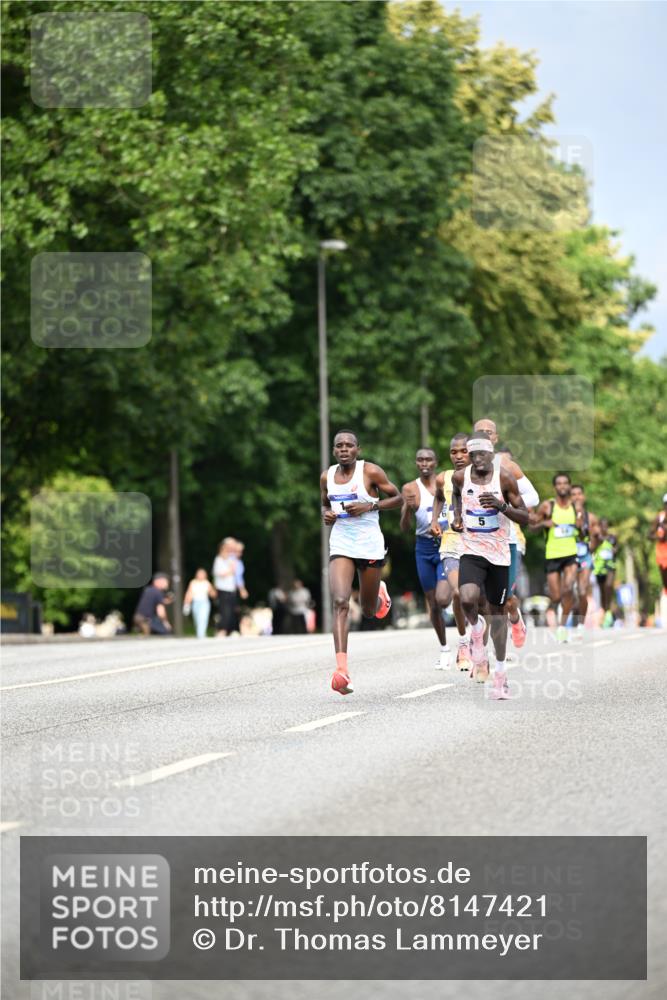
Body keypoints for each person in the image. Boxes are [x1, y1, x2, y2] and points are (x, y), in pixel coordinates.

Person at [320, 429, 402, 695]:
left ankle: (380, 596)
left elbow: (400, 498)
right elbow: (324, 504)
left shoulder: (370, 472)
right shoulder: (327, 477)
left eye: (349, 445)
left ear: (358, 449)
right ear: (334, 451)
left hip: (369, 545)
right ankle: (341, 670)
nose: (344, 449)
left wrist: (371, 506)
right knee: (341, 602)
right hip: (342, 543)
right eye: (339, 446)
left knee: (369, 611)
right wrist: (327, 514)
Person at [451, 432, 529, 700]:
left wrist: (501, 506)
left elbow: (525, 517)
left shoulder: (504, 478)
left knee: (498, 615)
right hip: (472, 550)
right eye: (474, 455)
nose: (478, 459)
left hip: (499, 553)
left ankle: (500, 674)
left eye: (484, 454)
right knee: (467, 597)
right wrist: (457, 516)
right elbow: (456, 498)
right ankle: (475, 631)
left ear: (492, 454)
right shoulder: (460, 477)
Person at [473, 420, 539, 649]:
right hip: (476, 541)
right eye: (479, 432)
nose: (484, 436)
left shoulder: (507, 465)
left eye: (488, 432)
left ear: (495, 438)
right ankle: (481, 652)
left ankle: (515, 618)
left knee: (504, 599)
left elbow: (533, 498)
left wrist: (504, 505)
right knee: (479, 598)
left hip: (505, 540)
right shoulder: (465, 468)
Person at [400, 447, 451, 668]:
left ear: (436, 462)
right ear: (416, 463)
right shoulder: (410, 488)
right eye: (420, 459)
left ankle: (459, 600)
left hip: (446, 545)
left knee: (443, 599)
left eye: (429, 459)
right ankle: (445, 649)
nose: (424, 463)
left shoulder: (446, 482)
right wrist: (407, 510)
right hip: (423, 547)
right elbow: (404, 528)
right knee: (433, 603)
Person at [430, 433, 473, 672]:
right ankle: (464, 642)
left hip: (478, 545)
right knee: (458, 593)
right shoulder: (443, 478)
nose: (458, 456)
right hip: (451, 543)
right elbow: (439, 498)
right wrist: (435, 520)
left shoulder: (483, 478)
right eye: (454, 452)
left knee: (477, 599)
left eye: (463, 451)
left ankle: (479, 642)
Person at [532, 472, 584, 642]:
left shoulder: (576, 507)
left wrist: (580, 525)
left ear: (569, 486)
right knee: (556, 596)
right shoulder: (548, 506)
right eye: (559, 483)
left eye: (565, 483)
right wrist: (543, 523)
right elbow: (532, 528)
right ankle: (561, 609)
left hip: (570, 554)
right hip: (552, 555)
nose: (562, 486)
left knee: (568, 588)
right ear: (555, 487)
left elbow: (583, 533)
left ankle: (562, 626)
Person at [570, 484, 600, 632]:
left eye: (579, 494)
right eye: (573, 494)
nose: (576, 497)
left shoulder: (591, 517)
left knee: (582, 591)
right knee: (568, 590)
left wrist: (591, 547)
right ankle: (571, 619)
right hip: (567, 556)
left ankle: (581, 624)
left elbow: (597, 536)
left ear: (584, 496)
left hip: (584, 556)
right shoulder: (564, 515)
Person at [593, 518, 618, 627]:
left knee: (608, 587)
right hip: (599, 568)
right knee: (602, 592)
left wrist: (614, 550)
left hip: (610, 566)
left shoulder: (612, 537)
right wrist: (597, 541)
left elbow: (616, 549)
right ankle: (605, 613)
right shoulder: (596, 538)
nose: (604, 528)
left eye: (606, 526)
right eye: (602, 526)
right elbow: (591, 548)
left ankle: (608, 612)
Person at [212, 538, 239, 637]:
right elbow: (219, 573)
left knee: (232, 610)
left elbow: (234, 571)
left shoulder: (231, 560)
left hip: (231, 588)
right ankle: (221, 630)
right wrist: (229, 571)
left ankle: (230, 630)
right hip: (222, 588)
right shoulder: (218, 560)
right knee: (224, 610)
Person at [183, 568, 217, 639]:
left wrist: (214, 588)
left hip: (204, 602)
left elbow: (213, 594)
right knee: (197, 619)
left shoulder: (206, 583)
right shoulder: (193, 582)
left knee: (203, 618)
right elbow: (189, 594)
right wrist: (186, 604)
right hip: (195, 602)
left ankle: (201, 635)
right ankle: (200, 633)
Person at [648, 493, 667, 595]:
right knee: (665, 581)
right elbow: (649, 535)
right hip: (662, 554)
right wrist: (658, 537)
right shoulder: (659, 518)